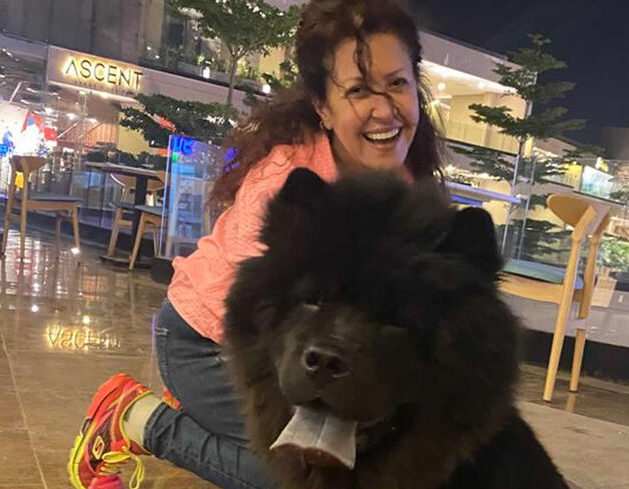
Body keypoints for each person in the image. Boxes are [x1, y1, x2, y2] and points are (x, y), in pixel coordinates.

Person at [67, 1, 447, 488]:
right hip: (210, 345)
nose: (384, 109)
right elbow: (259, 323)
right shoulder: (285, 183)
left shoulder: (409, 184)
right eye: (357, 90)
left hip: (325, 351)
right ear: (323, 108)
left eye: (396, 83)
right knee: (313, 476)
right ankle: (133, 418)